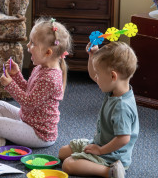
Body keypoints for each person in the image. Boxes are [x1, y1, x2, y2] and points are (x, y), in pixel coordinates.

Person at [0, 18, 72, 150]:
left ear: (48, 52)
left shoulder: (50, 78)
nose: (28, 46)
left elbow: (28, 103)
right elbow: (29, 90)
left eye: (32, 43)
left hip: (39, 134)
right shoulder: (41, 67)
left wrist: (10, 85)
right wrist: (16, 75)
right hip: (28, 119)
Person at [58, 41, 139, 178]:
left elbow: (124, 139)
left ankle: (110, 172)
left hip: (112, 155)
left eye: (99, 74)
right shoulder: (116, 88)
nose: (96, 78)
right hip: (100, 143)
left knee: (68, 164)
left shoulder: (122, 106)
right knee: (62, 152)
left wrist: (100, 150)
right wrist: (92, 55)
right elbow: (92, 74)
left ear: (113, 76)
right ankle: (96, 156)